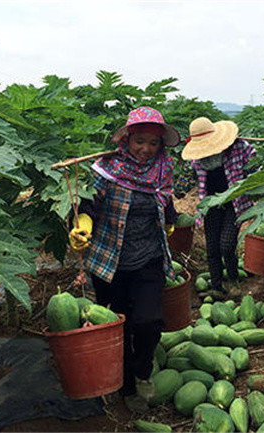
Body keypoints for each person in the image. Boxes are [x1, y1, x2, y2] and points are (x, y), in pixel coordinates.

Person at [68, 106, 180, 412]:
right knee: (118, 322)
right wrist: (82, 225)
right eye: (139, 141)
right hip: (109, 260)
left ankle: (142, 371)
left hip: (149, 258)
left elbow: (165, 199)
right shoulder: (107, 168)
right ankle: (127, 386)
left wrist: (171, 219)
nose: (146, 149)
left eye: (153, 143)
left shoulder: (162, 169)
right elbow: (86, 203)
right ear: (127, 140)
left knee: (149, 321)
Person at [181, 116, 256, 294]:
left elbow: (254, 167)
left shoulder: (239, 147)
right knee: (212, 248)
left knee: (227, 245)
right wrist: (181, 181)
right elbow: (182, 185)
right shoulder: (196, 158)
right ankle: (216, 286)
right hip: (210, 206)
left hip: (233, 204)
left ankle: (233, 279)